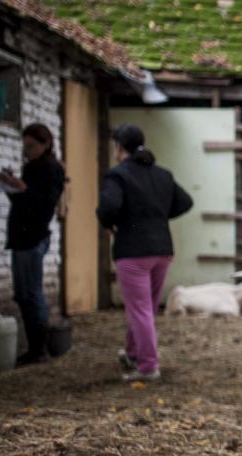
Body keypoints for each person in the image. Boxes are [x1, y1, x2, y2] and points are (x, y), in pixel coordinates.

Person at [96, 124, 194, 382]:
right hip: (162, 249)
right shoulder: (162, 174)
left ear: (118, 147)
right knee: (144, 307)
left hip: (133, 251)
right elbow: (185, 202)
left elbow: (108, 206)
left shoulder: (118, 175)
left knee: (140, 309)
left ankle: (148, 366)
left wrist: (111, 223)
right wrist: (156, 217)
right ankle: (133, 353)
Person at [0, 123, 65, 365]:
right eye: (24, 146)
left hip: (32, 237)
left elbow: (43, 205)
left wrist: (21, 188)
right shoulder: (35, 168)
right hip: (23, 236)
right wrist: (13, 186)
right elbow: (25, 202)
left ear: (45, 144)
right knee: (24, 294)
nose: (27, 150)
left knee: (31, 293)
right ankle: (36, 348)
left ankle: (39, 349)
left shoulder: (50, 169)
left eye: (31, 146)